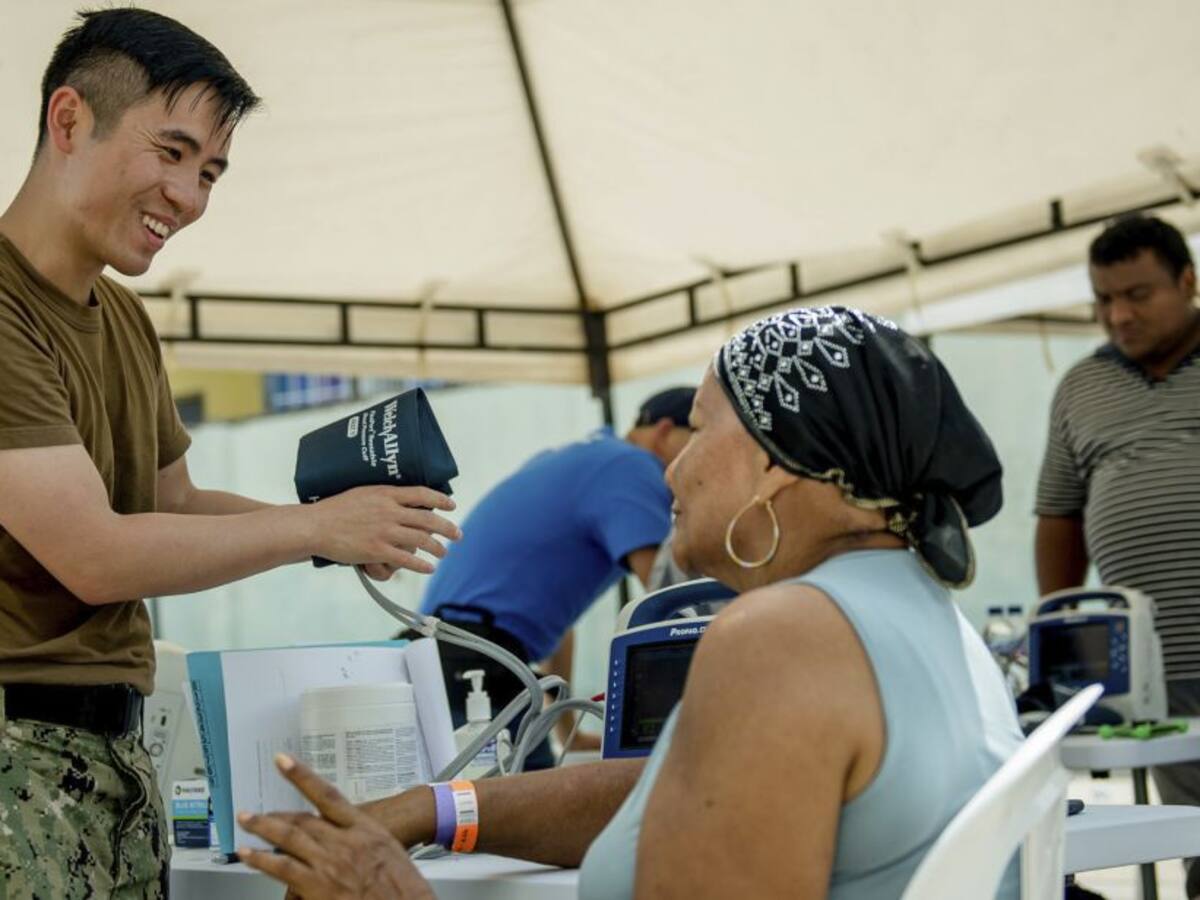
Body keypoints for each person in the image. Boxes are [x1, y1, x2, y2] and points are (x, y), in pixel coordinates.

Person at [237, 305, 1023, 900]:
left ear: (777, 463)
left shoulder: (783, 635)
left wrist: (391, 889)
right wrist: (433, 809)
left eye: (701, 430)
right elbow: (668, 790)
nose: (672, 471)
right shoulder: (917, 615)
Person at [0, 10, 459, 897]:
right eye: (170, 154)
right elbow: (95, 555)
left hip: (115, 757)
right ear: (68, 121)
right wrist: (313, 526)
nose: (191, 198)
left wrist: (342, 531)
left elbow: (173, 506)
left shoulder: (124, 319)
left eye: (210, 172)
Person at [1035, 213, 1200, 897]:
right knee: (1196, 843)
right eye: (1103, 298)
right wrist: (1062, 636)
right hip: (1159, 678)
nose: (1117, 314)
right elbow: (1059, 514)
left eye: (1137, 294)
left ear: (1188, 282)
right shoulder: (1082, 385)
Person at [407, 386, 694, 765]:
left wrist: (566, 728)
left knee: (488, 798)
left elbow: (557, 619)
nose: (701, 461)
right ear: (664, 430)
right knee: (529, 808)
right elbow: (671, 602)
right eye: (699, 438)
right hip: (474, 657)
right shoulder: (633, 466)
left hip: (439, 646)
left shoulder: (583, 458)